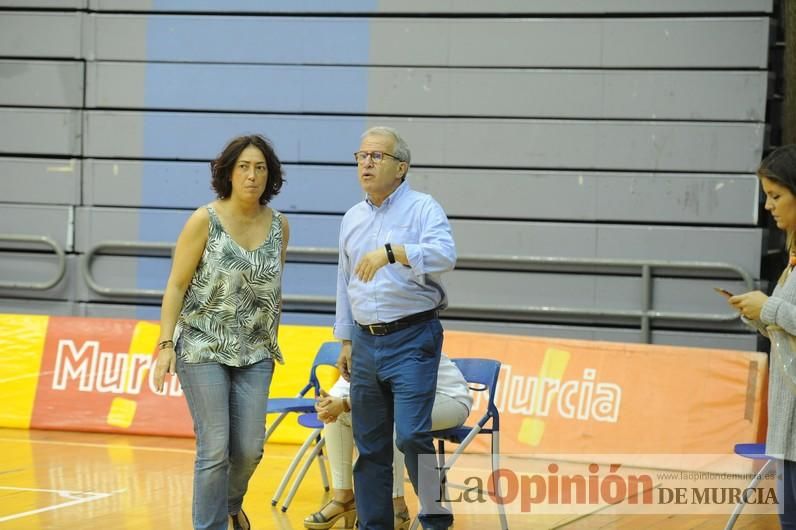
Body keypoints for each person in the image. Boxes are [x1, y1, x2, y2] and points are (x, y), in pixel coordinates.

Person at [153, 134, 289, 530]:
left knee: (249, 449)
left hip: (256, 351)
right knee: (214, 448)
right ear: (228, 173)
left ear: (270, 175)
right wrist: (165, 345)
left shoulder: (281, 226)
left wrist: (270, 338)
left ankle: (230, 504)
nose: (252, 176)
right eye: (243, 167)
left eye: (260, 168)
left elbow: (274, 289)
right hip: (202, 345)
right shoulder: (204, 220)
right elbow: (176, 285)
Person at [334, 126, 457, 530]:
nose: (366, 163)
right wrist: (346, 338)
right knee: (369, 447)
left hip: (412, 337)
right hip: (366, 342)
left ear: (401, 166)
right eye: (361, 156)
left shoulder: (423, 208)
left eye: (376, 156)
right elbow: (344, 280)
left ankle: (436, 519)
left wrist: (393, 253)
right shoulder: (352, 217)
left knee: (410, 436)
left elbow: (444, 255)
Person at [304, 354, 473, 530]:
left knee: (393, 417)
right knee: (339, 415)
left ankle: (397, 507)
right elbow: (343, 387)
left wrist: (346, 402)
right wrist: (328, 404)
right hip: (401, 401)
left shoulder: (402, 336)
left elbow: (399, 397)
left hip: (447, 399)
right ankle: (343, 498)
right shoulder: (361, 339)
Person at [729, 144, 796, 530]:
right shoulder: (792, 259)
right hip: (787, 438)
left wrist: (767, 308)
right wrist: (757, 315)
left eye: (776, 195)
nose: (768, 206)